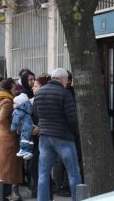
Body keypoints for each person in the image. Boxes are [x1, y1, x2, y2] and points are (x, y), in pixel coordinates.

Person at [35, 68, 81, 201]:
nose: (67, 83)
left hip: (44, 136)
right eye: (66, 80)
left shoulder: (39, 93)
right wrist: (75, 133)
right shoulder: (65, 94)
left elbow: (37, 114)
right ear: (63, 79)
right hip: (63, 136)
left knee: (43, 174)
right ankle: (77, 198)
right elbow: (72, 118)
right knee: (73, 172)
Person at [0, 78, 22, 200]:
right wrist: (11, 128)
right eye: (14, 88)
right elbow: (2, 119)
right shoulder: (7, 102)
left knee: (1, 170)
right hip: (7, 138)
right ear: (9, 89)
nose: (15, 90)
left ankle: (2, 196)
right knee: (7, 170)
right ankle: (3, 197)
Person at [28, 74, 52, 198]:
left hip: (45, 138)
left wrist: (39, 128)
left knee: (39, 167)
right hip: (36, 138)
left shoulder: (45, 100)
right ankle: (39, 192)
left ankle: (44, 194)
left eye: (36, 86)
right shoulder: (34, 100)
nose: (33, 87)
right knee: (36, 167)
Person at [11, 93, 34, 160]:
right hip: (30, 125)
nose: (13, 105)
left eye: (15, 103)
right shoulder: (28, 109)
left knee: (23, 139)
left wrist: (13, 128)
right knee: (29, 139)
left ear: (20, 104)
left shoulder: (17, 111)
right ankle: (29, 151)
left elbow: (15, 121)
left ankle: (23, 150)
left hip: (24, 127)